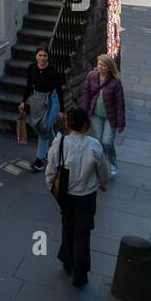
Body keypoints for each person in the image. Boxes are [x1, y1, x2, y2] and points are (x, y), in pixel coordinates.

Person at [46, 106, 108, 288]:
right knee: (83, 232)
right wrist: (103, 185)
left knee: (67, 225)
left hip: (65, 195)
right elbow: (102, 171)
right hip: (86, 196)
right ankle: (80, 275)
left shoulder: (60, 143)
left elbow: (50, 171)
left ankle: (67, 261)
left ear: (67, 123)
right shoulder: (94, 145)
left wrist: (53, 189)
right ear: (86, 125)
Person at [18, 47, 64, 171]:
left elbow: (59, 90)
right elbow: (28, 86)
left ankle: (39, 160)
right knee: (44, 128)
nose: (43, 58)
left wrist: (61, 110)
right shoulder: (32, 68)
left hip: (52, 100)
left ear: (48, 57)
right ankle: (57, 149)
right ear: (36, 56)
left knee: (44, 129)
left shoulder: (53, 71)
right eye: (40, 55)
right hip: (38, 101)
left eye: (45, 55)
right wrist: (23, 101)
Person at [81, 55, 126, 175]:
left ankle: (112, 162)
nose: (100, 67)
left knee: (107, 142)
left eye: (104, 65)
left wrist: (121, 123)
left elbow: (120, 103)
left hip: (110, 117)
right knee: (98, 141)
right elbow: (86, 96)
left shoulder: (115, 82)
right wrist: (84, 113)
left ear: (109, 67)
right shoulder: (91, 76)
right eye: (99, 64)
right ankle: (100, 164)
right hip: (95, 114)